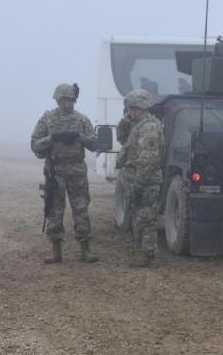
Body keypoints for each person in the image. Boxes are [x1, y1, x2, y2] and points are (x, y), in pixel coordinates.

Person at [30, 83, 99, 264]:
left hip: (77, 171)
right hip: (55, 171)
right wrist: (52, 138)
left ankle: (85, 249)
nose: (68, 104)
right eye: (64, 100)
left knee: (81, 210)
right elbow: (35, 144)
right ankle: (56, 250)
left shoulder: (81, 120)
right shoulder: (47, 119)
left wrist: (79, 137)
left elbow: (94, 144)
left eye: (71, 100)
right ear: (57, 100)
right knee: (54, 210)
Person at [115, 89, 165, 267]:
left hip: (146, 181)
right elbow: (122, 139)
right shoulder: (137, 124)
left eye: (131, 108)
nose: (129, 111)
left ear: (139, 108)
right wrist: (124, 122)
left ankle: (147, 256)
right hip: (137, 179)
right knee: (138, 217)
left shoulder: (149, 127)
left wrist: (139, 183)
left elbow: (149, 159)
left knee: (146, 219)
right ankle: (141, 254)